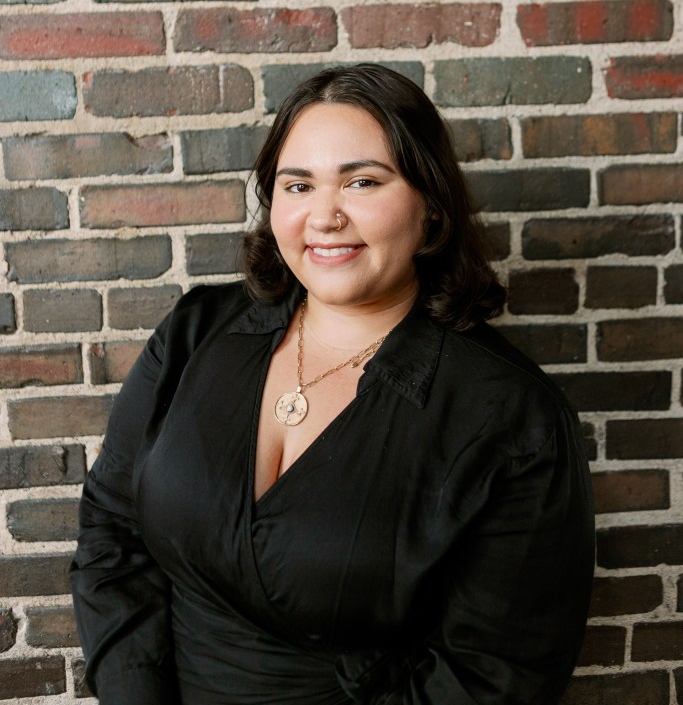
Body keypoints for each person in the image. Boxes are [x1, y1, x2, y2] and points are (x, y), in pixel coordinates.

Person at [70, 63, 595, 705]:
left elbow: (495, 675)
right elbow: (112, 528)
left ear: (431, 206)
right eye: (298, 186)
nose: (324, 217)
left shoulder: (511, 416)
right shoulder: (196, 330)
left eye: (362, 181)